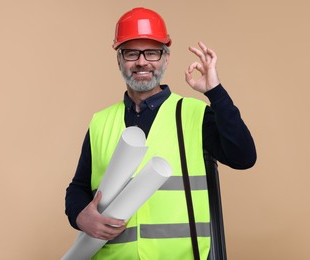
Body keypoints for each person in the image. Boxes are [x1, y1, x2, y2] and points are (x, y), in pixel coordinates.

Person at [65, 7, 256, 260]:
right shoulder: (101, 122)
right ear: (119, 60)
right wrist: (80, 216)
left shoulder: (194, 114)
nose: (142, 61)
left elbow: (243, 157)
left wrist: (216, 92)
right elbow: (78, 187)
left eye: (152, 52)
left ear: (165, 58)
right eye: (131, 53)